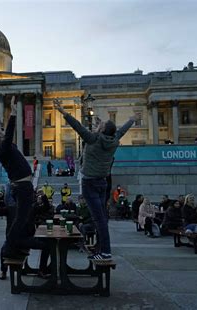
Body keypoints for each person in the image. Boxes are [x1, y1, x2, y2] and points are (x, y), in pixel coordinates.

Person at [54, 98, 137, 261]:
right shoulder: (114, 140)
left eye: (101, 124)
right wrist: (131, 120)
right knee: (100, 218)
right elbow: (122, 130)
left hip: (90, 183)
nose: (98, 125)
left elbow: (77, 126)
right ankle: (100, 248)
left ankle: (105, 252)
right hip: (102, 183)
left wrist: (63, 112)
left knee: (99, 220)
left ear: (102, 130)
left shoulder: (93, 139)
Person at [0, 95, 44, 259]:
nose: (4, 131)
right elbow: (9, 133)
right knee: (21, 218)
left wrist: (0, 124)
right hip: (22, 186)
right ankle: (9, 247)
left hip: (23, 186)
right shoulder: (2, 148)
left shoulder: (3, 148)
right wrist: (13, 113)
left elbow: (6, 137)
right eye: (1, 131)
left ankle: (16, 245)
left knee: (24, 218)